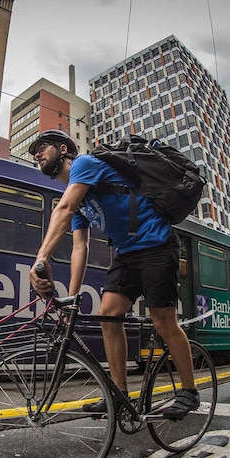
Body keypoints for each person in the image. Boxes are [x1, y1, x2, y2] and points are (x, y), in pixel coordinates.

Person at [27, 130, 199, 419]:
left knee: (163, 321)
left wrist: (40, 257)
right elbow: (79, 248)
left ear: (62, 149)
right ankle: (119, 394)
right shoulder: (80, 195)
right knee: (108, 314)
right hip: (127, 252)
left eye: (42, 148)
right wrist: (70, 298)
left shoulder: (84, 164)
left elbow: (64, 209)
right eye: (35, 152)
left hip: (156, 244)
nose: (37, 154)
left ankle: (189, 392)